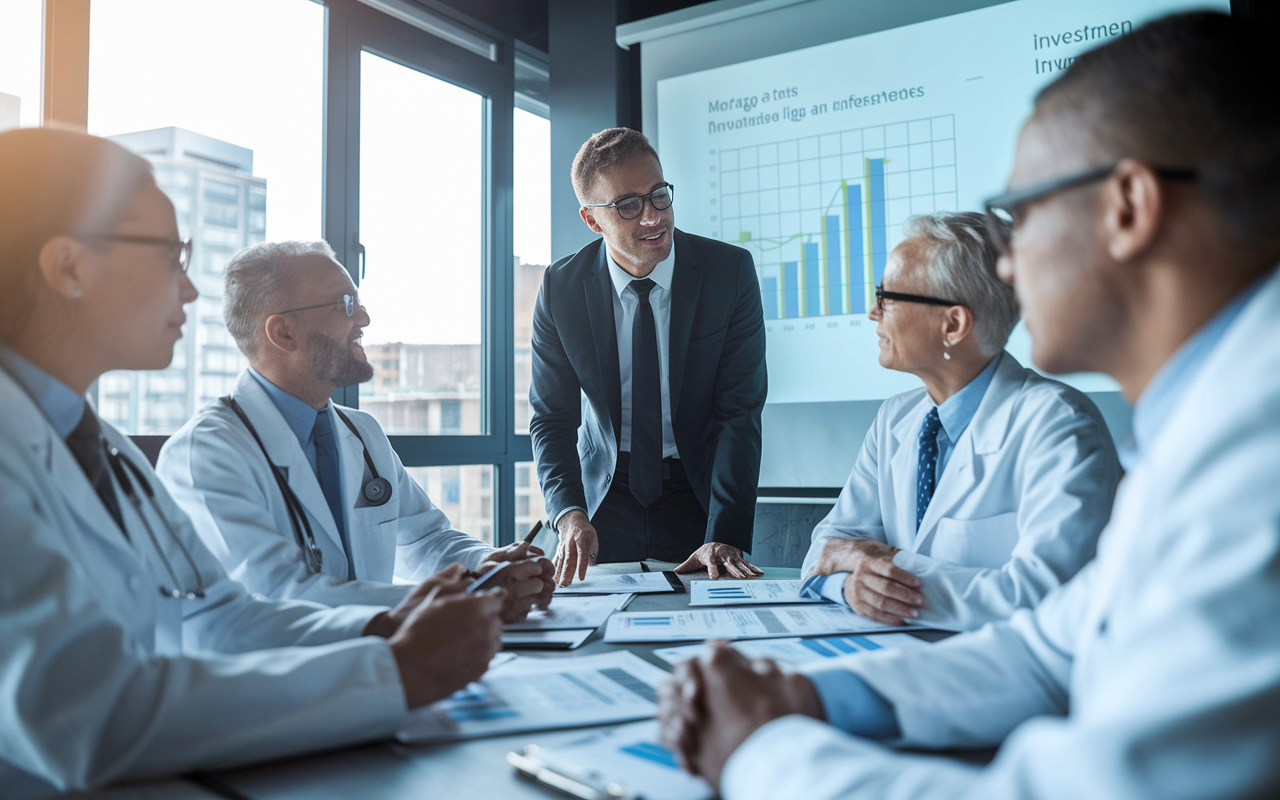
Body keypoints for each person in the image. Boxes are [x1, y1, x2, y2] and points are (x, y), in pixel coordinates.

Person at [658, 11, 1280, 799]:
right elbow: (1049, 649)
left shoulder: (1256, 458)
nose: (1009, 266)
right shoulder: (1206, 428)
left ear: (1128, 207)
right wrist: (810, 699)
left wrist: (760, 752)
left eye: (1024, 212)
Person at [0, 128, 505, 797]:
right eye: (168, 256)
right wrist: (391, 673)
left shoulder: (105, 448)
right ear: (69, 267)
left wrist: (387, 627)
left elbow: (223, 618)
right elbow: (92, 715)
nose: (190, 291)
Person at [156, 240, 553, 622]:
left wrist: (486, 566)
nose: (363, 319)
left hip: (390, 662)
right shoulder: (205, 453)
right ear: (283, 333)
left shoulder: (362, 432)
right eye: (345, 304)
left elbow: (425, 540)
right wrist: (471, 594)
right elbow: (279, 595)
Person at [799, 211, 1120, 631]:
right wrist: (847, 587)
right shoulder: (894, 418)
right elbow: (822, 554)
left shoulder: (1059, 426)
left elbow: (1048, 596)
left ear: (953, 324)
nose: (873, 312)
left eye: (888, 297)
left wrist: (889, 564)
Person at [530, 127, 768, 585]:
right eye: (628, 205)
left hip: (698, 494)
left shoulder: (728, 273)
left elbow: (739, 413)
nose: (653, 217)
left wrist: (726, 531)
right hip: (603, 496)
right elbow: (551, 418)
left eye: (659, 195)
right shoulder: (561, 289)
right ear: (592, 220)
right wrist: (569, 514)